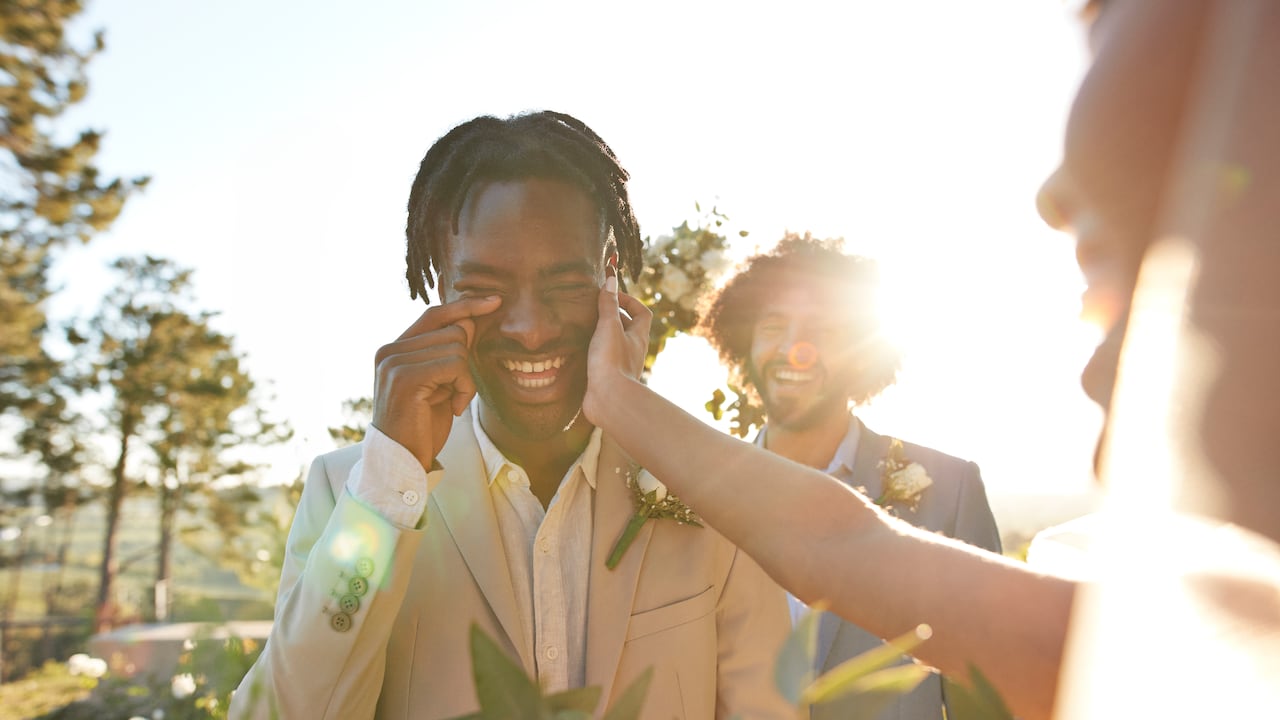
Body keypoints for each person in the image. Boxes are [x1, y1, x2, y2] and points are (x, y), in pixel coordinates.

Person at [579, 2, 1280, 719]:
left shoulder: (977, 513)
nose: (1056, 200)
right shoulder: (1127, 626)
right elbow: (837, 538)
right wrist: (615, 398)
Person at [230, 110, 793, 719]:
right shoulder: (351, 494)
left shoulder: (719, 499)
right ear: (439, 288)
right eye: (483, 288)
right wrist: (390, 484)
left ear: (610, 279)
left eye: (566, 284)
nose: (530, 329)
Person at [699, 234, 1001, 720]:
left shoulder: (951, 491)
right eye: (774, 325)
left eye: (823, 331)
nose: (796, 348)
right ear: (744, 342)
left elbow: (984, 699)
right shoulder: (697, 497)